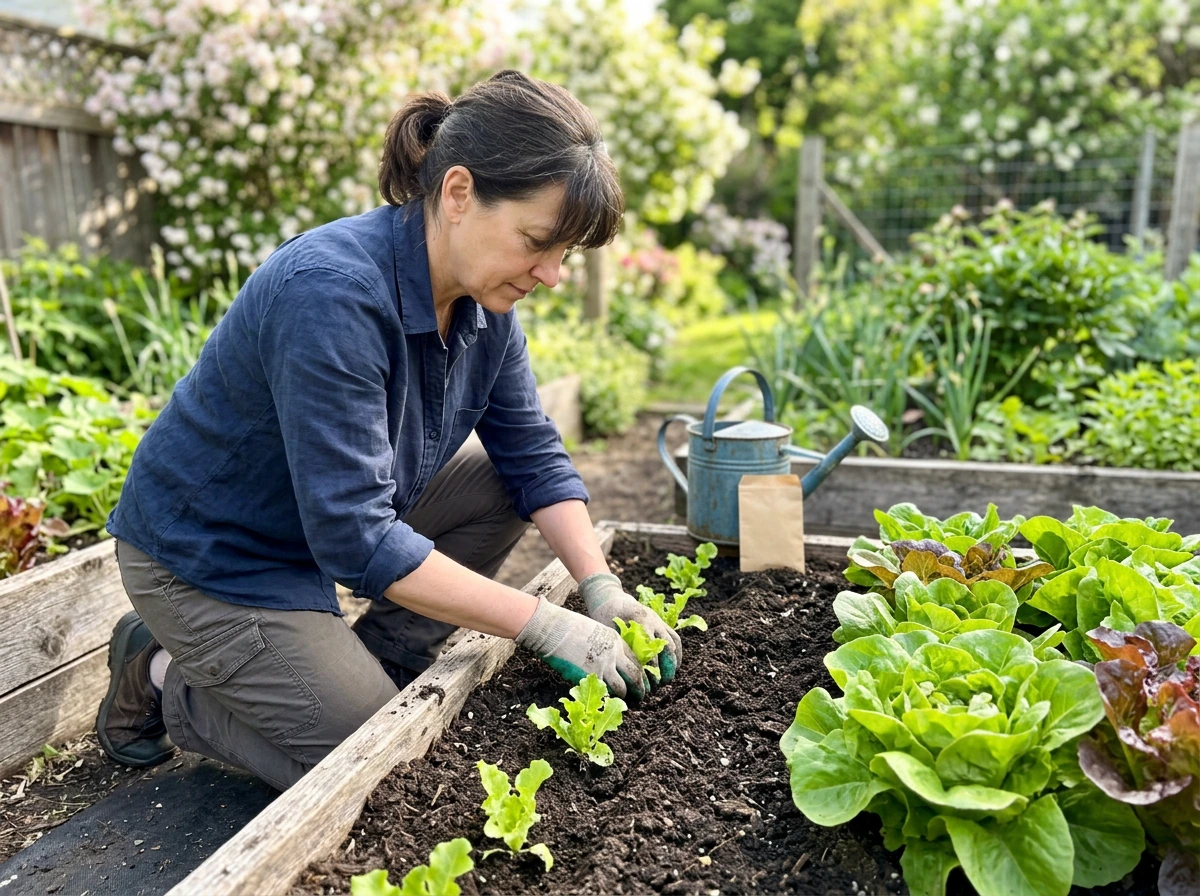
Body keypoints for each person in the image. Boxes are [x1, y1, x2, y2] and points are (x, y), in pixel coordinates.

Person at [94, 70, 682, 792]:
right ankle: (162, 678)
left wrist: (599, 586)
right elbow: (356, 536)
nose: (553, 274)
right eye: (538, 241)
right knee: (378, 768)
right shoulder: (331, 293)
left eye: (565, 255)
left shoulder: (483, 305)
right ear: (458, 193)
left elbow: (532, 455)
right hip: (214, 558)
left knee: (499, 485)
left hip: (313, 528)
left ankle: (377, 663)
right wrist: (541, 622)